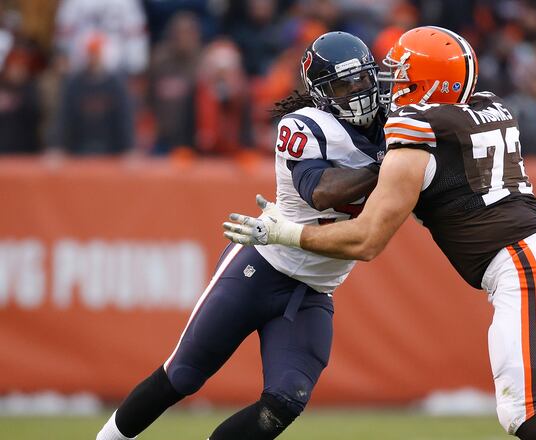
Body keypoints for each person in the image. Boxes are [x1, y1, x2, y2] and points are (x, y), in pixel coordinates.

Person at [224, 26, 536, 440]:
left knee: (523, 410)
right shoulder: (488, 106)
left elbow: (365, 241)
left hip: (524, 266)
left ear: (429, 82)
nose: (390, 86)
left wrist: (285, 234)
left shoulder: (416, 132)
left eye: (402, 75)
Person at [96, 31, 385, 440]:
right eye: (343, 83)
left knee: (285, 401)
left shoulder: (395, 126)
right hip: (261, 267)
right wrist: (387, 167)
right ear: (321, 94)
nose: (358, 91)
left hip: (313, 290)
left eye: (362, 79)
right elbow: (320, 193)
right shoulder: (305, 125)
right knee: (182, 374)